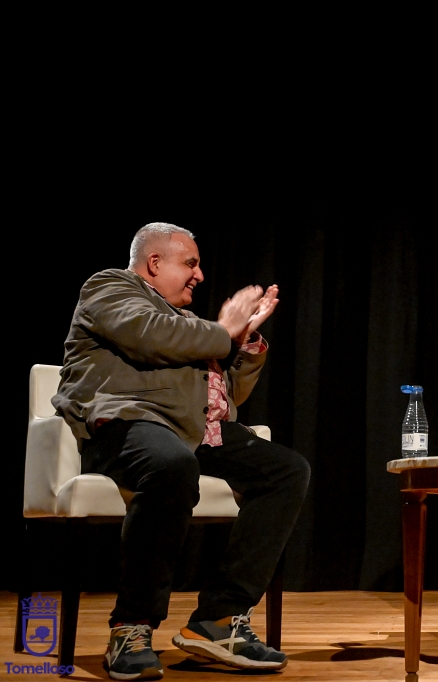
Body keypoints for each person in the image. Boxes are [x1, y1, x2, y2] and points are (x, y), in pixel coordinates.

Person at [53, 223, 310, 681]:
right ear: (155, 263)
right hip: (126, 421)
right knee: (172, 464)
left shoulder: (190, 325)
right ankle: (132, 627)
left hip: (194, 430)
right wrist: (223, 330)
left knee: (286, 471)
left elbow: (228, 394)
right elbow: (147, 335)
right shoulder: (110, 287)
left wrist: (245, 343)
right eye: (190, 263)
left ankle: (217, 619)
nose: (200, 275)